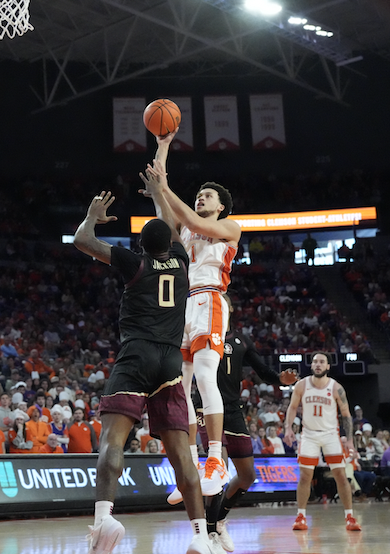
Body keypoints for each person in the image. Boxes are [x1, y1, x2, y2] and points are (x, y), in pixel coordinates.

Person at [73, 191, 210, 554]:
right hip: (169, 361)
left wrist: (91, 215)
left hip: (136, 354)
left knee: (112, 442)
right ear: (170, 243)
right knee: (182, 453)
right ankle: (200, 536)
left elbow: (82, 241)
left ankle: (105, 519)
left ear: (141, 246)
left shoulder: (135, 264)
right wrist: (158, 196)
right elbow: (172, 227)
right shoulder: (182, 261)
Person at [145, 140, 241, 497]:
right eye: (199, 194)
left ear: (221, 206)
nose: (201, 197)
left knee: (203, 376)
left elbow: (182, 211)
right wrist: (163, 144)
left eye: (207, 195)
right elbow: (164, 203)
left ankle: (216, 461)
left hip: (211, 301)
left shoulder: (231, 228)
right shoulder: (184, 231)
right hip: (183, 306)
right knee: (179, 388)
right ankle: (189, 470)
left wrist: (166, 190)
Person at [169, 293, 297, 553]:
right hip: (206, 408)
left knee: (247, 474)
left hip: (234, 409)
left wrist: (280, 379)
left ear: (228, 310)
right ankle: (207, 533)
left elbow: (261, 369)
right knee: (218, 471)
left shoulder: (240, 339)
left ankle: (220, 521)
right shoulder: (197, 334)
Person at [284, 352, 362, 531]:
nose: (318, 364)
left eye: (322, 362)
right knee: (305, 476)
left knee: (341, 476)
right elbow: (292, 407)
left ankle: (349, 516)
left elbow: (346, 415)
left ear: (328, 367)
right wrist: (288, 428)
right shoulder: (302, 385)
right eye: (315, 362)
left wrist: (349, 440)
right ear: (311, 365)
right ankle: (301, 516)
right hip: (309, 434)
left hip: (330, 435)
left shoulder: (336, 388)